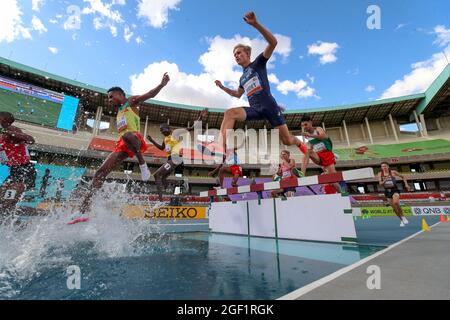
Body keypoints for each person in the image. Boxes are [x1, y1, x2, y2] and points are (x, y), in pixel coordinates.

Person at [204, 11, 307, 158]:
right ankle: (221, 146)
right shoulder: (242, 78)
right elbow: (237, 94)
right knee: (229, 113)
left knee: (287, 140)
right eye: (234, 55)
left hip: (270, 106)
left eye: (239, 53)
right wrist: (222, 87)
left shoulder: (258, 63)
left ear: (247, 54)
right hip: (255, 109)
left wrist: (255, 24)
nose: (236, 56)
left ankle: (298, 141)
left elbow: (273, 42)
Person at [77, 73, 170, 215]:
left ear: (120, 94)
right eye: (108, 98)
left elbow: (150, 94)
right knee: (100, 172)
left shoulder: (131, 102)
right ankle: (84, 209)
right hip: (123, 145)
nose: (109, 100)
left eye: (111, 96)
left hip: (136, 139)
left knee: (127, 134)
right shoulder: (119, 111)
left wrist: (162, 84)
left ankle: (143, 165)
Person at [148, 109, 208, 202]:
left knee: (156, 175)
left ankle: (160, 200)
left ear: (168, 128)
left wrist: (200, 116)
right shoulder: (165, 139)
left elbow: (191, 128)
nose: (161, 131)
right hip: (170, 159)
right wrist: (152, 141)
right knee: (162, 178)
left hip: (175, 158)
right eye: (160, 131)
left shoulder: (175, 133)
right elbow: (162, 148)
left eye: (162, 129)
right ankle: (180, 183)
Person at [0, 112, 36, 213]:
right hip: (14, 171)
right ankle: (12, 221)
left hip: (25, 170)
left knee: (8, 200)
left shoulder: (12, 130)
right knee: (2, 200)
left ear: (5, 122)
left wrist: (9, 133)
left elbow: (31, 139)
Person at [300, 115, 341, 193]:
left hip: (327, 154)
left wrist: (310, 135)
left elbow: (323, 136)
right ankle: (302, 174)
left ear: (310, 123)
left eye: (306, 124)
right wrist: (309, 154)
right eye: (302, 125)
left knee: (332, 179)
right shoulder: (307, 136)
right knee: (307, 151)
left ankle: (341, 192)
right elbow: (313, 145)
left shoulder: (318, 129)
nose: (304, 127)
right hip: (319, 156)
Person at [378, 162, 412, 227]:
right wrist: (384, 180)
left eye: (385, 166)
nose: (384, 167)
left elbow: (403, 176)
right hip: (387, 191)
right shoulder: (380, 174)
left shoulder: (393, 172)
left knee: (396, 203)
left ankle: (403, 217)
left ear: (388, 166)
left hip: (394, 189)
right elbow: (380, 184)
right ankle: (401, 220)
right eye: (382, 166)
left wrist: (406, 184)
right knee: (394, 208)